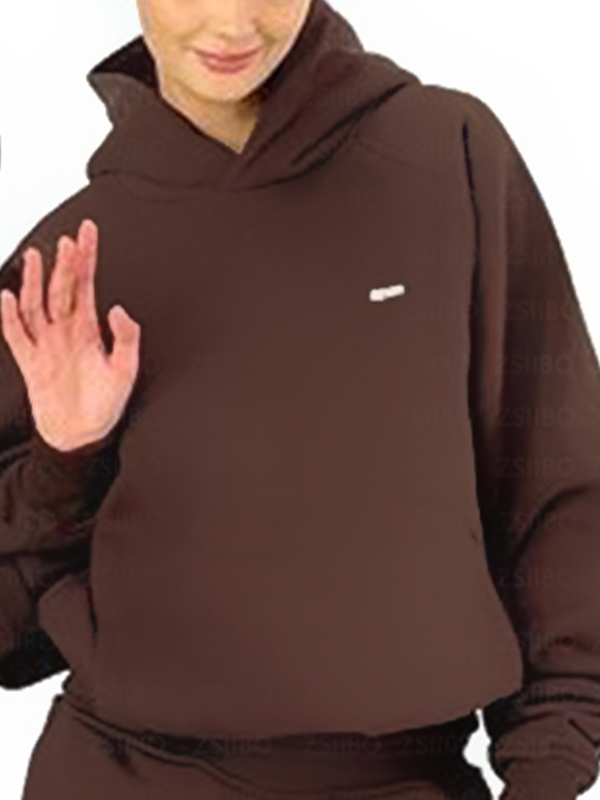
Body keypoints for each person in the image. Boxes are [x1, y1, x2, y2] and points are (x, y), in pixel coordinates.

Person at [1, 1, 599, 798]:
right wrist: (65, 458)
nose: (232, 23)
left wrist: (550, 770)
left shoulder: (442, 157)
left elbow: (558, 486)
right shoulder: (68, 266)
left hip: (404, 777)